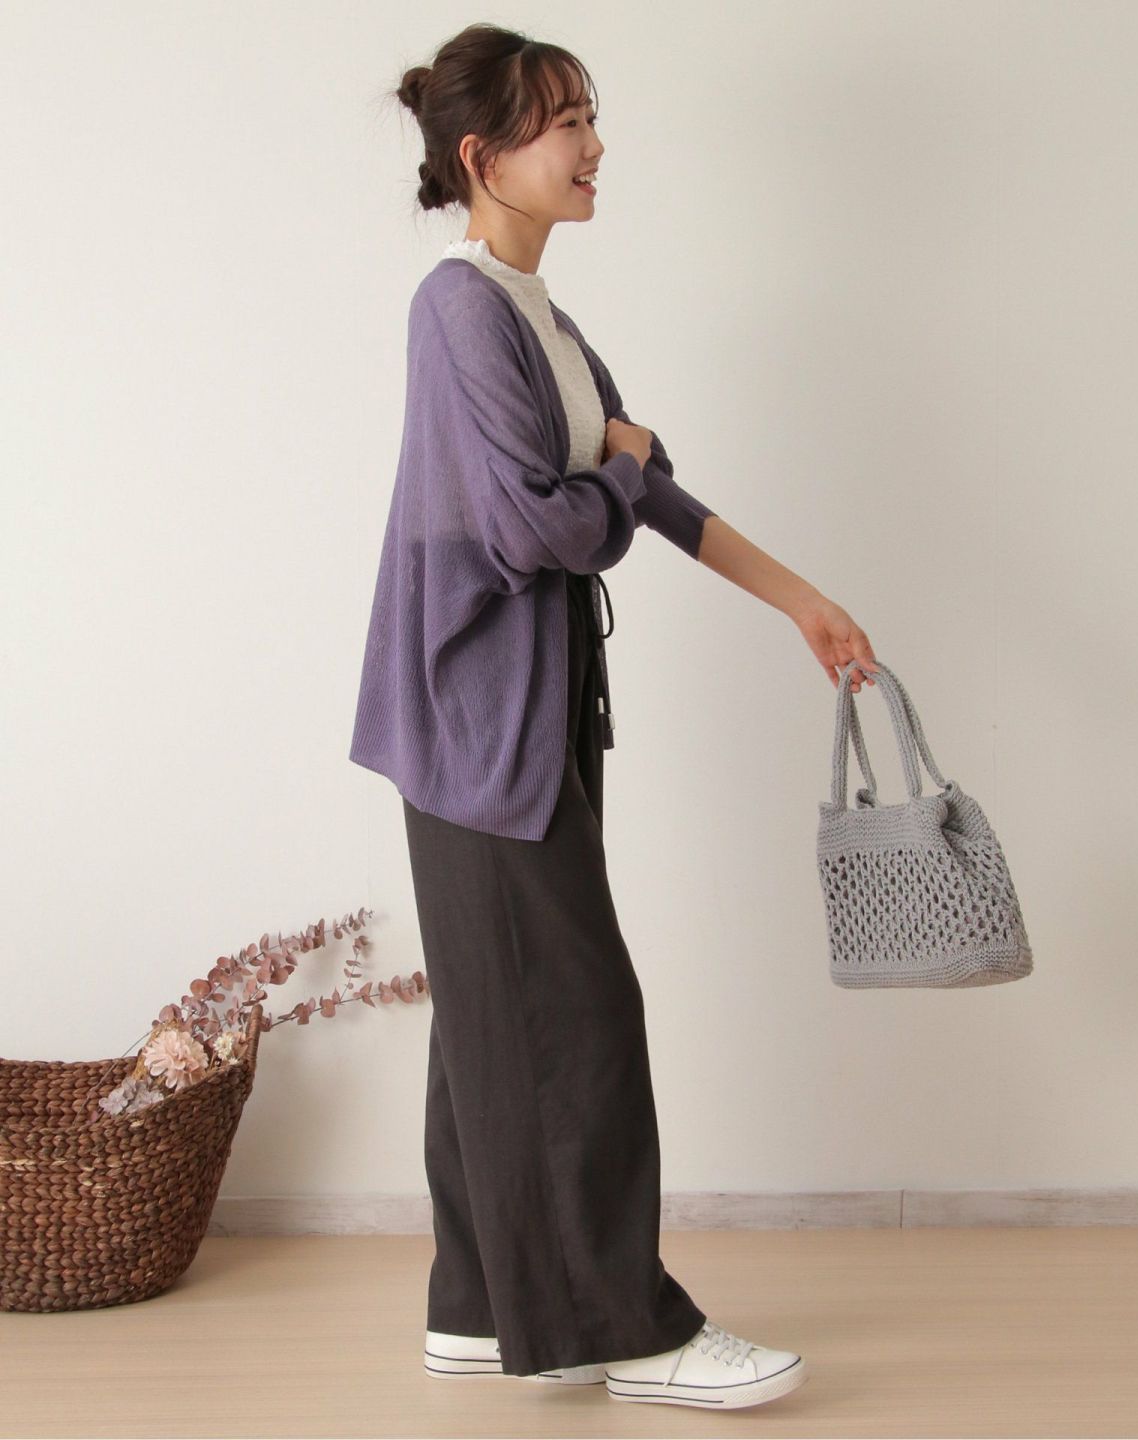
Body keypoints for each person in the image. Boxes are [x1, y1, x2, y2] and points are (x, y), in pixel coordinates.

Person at [349, 22, 878, 1412]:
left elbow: (649, 487)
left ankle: (477, 1308)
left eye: (590, 115)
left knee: (494, 1008)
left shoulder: (538, 317)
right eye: (563, 122)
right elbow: (540, 527)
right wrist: (620, 475)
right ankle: (630, 1330)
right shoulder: (458, 309)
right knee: (572, 1012)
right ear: (485, 157)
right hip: (478, 719)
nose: (593, 145)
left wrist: (801, 601)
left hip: (526, 709)